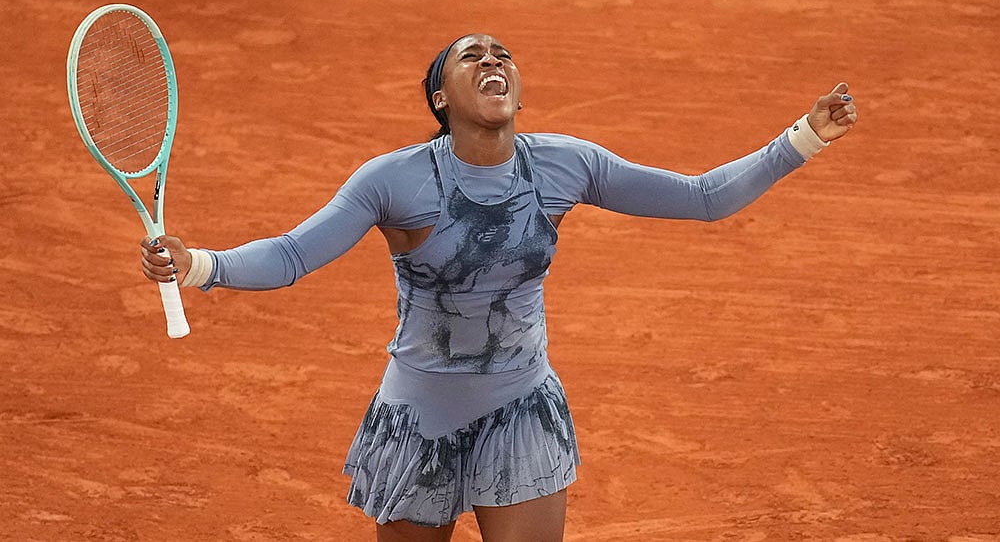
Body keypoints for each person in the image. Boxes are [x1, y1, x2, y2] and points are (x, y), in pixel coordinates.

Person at [140, 33, 858, 542]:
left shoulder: (564, 165)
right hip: (418, 421)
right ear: (439, 95)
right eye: (471, 55)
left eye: (502, 53)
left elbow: (702, 196)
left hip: (521, 410)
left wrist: (804, 135)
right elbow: (295, 254)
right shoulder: (395, 180)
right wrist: (202, 262)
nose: (493, 60)